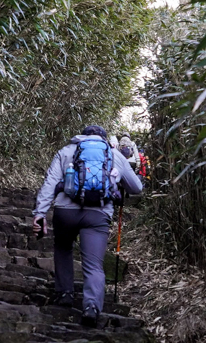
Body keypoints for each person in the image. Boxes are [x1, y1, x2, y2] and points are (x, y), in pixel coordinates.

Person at [33, 125, 143, 326]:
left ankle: (65, 293)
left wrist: (40, 213)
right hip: (98, 215)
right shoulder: (113, 154)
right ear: (103, 139)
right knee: (93, 263)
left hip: (65, 212)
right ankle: (91, 306)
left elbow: (50, 183)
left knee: (63, 248)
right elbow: (137, 187)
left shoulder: (66, 151)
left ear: (82, 137)